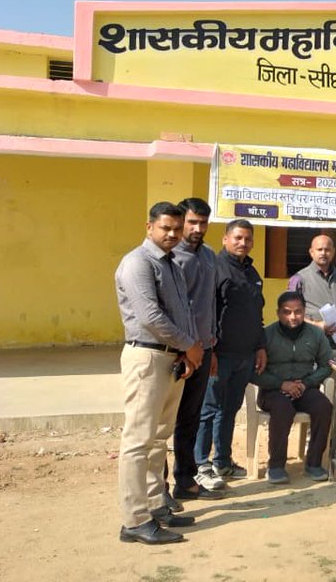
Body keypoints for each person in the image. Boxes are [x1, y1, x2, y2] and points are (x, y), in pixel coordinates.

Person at [114, 201, 202, 544]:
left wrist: (186, 352)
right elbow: (150, 316)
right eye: (166, 228)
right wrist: (189, 345)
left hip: (171, 358)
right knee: (138, 441)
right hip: (147, 357)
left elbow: (183, 313)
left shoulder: (171, 264)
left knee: (158, 438)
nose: (173, 234)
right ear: (149, 226)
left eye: (177, 228)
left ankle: (155, 506)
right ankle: (135, 520)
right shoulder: (137, 263)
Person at [195, 219, 267, 486]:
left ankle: (222, 462)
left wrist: (260, 346)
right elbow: (205, 312)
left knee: (230, 409)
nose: (243, 243)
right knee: (209, 409)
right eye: (237, 238)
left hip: (245, 355)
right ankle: (200, 464)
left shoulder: (252, 273)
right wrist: (210, 351)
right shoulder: (214, 268)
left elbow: (257, 314)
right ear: (225, 239)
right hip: (219, 354)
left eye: (247, 239)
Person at [165, 198, 225, 504]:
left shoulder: (210, 255)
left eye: (203, 223)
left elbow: (210, 304)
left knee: (190, 418)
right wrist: (183, 350)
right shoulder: (170, 258)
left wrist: (211, 347)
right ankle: (158, 490)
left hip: (204, 350)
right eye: (192, 222)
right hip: (177, 353)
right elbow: (170, 310)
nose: (197, 228)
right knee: (163, 423)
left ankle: (186, 481)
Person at [251, 291, 334, 484]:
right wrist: (281, 384)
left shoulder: (316, 334)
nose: (293, 317)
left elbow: (327, 365)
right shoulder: (266, 336)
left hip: (304, 388)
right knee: (283, 408)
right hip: (272, 391)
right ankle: (276, 466)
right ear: (278, 312)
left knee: (324, 406)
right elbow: (253, 372)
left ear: (304, 311)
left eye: (298, 311)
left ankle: (314, 463)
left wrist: (306, 383)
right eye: (287, 312)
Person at [288, 234, 336, 363]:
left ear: (333, 252)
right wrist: (317, 325)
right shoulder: (299, 279)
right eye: (319, 249)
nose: (323, 253)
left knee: (335, 376)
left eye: (327, 250)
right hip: (308, 346)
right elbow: (289, 312)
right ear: (311, 252)